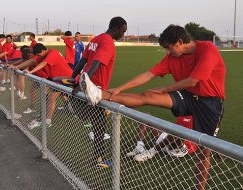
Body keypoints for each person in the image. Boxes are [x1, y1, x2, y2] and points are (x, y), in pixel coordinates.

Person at [79, 24, 225, 189]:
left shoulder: (207, 49)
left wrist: (163, 88)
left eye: (169, 48)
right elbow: (149, 74)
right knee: (148, 96)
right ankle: (98, 94)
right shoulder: (172, 58)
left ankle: (201, 186)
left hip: (210, 103)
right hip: (188, 96)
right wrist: (120, 88)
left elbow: (193, 80)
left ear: (179, 42)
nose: (167, 53)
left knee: (204, 151)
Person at [71, 16, 127, 168]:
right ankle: (98, 160)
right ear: (116, 28)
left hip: (88, 85)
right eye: (122, 31)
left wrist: (72, 79)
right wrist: (85, 83)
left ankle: (98, 159)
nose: (122, 35)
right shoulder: (108, 42)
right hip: (96, 89)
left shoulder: (97, 39)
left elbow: (83, 61)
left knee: (99, 124)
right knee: (100, 126)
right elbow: (95, 64)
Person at [25, 43, 73, 128]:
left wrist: (30, 72)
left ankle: (47, 121)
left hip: (66, 78)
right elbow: (32, 61)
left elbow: (44, 63)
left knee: (51, 97)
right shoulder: (43, 55)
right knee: (49, 97)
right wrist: (17, 67)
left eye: (39, 54)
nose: (38, 56)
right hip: (57, 79)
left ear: (43, 51)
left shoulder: (52, 52)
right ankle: (44, 116)